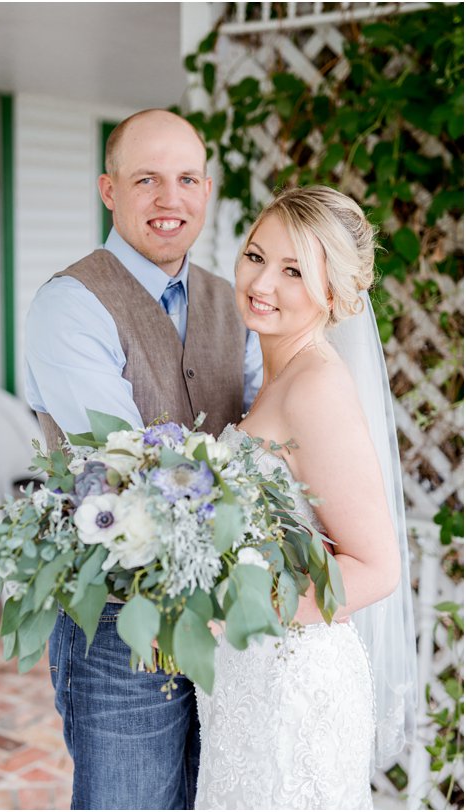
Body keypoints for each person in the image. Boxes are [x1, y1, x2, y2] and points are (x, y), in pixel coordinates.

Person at [23, 108, 262, 810]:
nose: (170, 199)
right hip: (115, 618)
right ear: (109, 190)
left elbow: (271, 434)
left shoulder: (236, 302)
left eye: (186, 179)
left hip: (225, 608)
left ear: (207, 190)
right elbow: (124, 468)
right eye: (147, 179)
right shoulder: (71, 303)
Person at [195, 185, 415, 809]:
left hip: (291, 684)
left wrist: (237, 611)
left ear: (334, 294)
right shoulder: (277, 378)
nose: (262, 282)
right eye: (256, 255)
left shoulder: (315, 386)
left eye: (294, 270)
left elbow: (375, 568)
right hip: (248, 680)